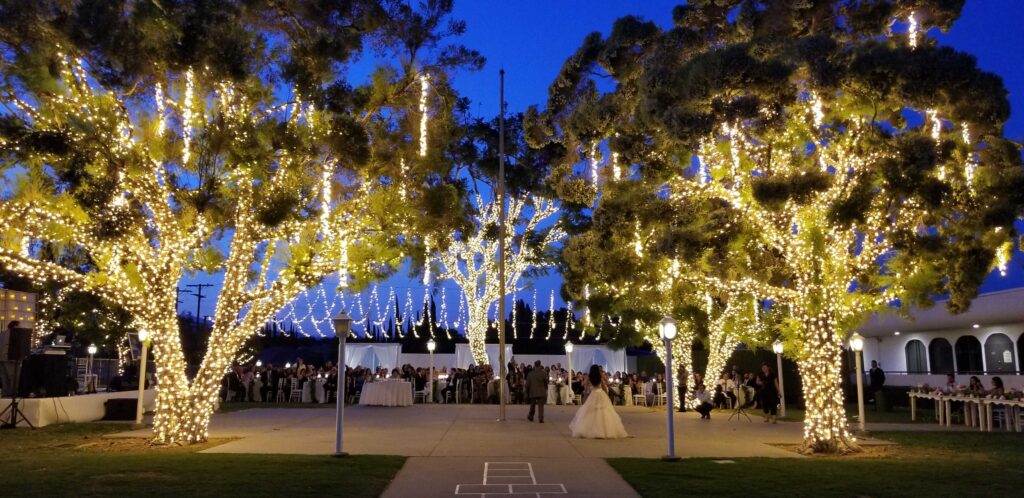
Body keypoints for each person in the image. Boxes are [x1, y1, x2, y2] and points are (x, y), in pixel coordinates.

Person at [569, 365, 629, 438]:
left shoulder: (589, 377)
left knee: (590, 412)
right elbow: (604, 386)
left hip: (593, 394)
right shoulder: (600, 377)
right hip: (601, 394)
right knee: (603, 411)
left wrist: (585, 398)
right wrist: (607, 396)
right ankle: (604, 430)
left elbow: (586, 389)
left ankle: (591, 429)